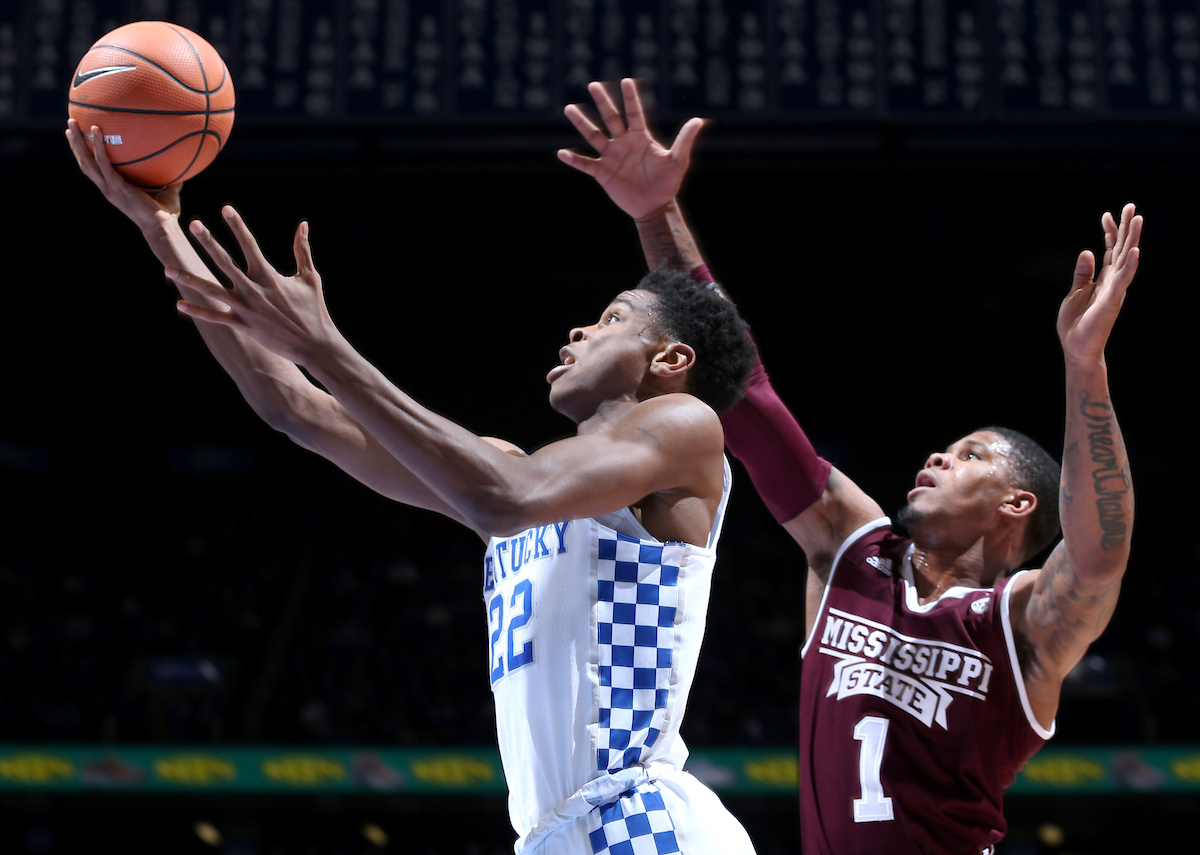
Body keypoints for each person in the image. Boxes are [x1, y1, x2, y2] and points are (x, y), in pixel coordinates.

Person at [65, 118, 760, 854]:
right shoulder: (505, 472)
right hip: (555, 832)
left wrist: (324, 346)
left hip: (641, 819)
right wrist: (161, 227)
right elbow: (293, 408)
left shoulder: (684, 426)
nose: (578, 331)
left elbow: (507, 492)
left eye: (612, 319)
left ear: (671, 357)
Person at [559, 78, 1139, 854]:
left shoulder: (1023, 623)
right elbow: (744, 389)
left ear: (1016, 505)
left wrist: (1085, 365)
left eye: (969, 455)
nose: (936, 455)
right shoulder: (854, 554)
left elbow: (1099, 552)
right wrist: (654, 212)